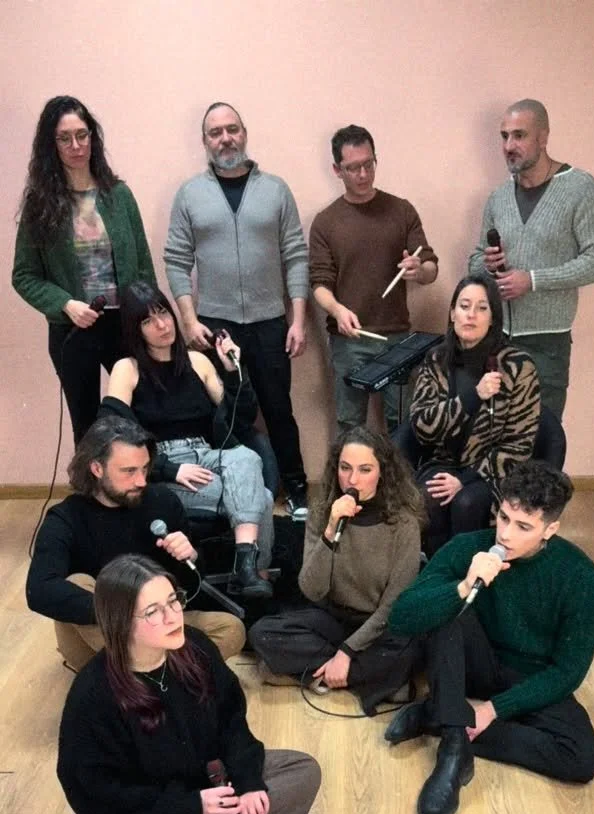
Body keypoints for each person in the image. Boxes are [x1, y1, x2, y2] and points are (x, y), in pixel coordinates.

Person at [57, 554, 336, 814]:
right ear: (121, 622)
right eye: (153, 611)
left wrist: (249, 783)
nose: (173, 616)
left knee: (304, 771)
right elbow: (96, 794)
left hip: (207, 783)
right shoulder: (92, 696)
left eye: (173, 600)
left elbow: (232, 724)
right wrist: (188, 808)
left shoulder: (197, 648)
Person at [385, 461, 594, 814]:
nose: (505, 535)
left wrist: (494, 709)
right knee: (448, 614)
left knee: (581, 758)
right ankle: (453, 750)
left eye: (523, 527)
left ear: (550, 529)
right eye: (503, 517)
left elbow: (569, 671)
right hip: (473, 665)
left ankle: (440, 715)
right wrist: (462, 587)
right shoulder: (467, 547)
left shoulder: (580, 575)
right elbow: (402, 617)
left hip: (530, 677)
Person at [164, 101, 309, 519]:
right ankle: (232, 491)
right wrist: (189, 320)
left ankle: (296, 488)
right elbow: (176, 260)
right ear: (205, 141)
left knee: (278, 408)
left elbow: (295, 255)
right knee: (224, 412)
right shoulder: (190, 194)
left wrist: (298, 320)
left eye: (232, 129)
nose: (225, 138)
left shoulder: (275, 190)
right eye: (216, 132)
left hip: (270, 323)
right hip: (216, 325)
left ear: (244, 133)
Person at [26, 417, 246, 671]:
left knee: (231, 629)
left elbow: (189, 587)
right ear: (96, 468)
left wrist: (190, 557)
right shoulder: (66, 518)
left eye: (144, 469)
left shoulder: (163, 501)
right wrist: (128, 615)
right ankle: (162, 674)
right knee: (78, 582)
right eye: (129, 471)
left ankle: (145, 677)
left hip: (155, 622)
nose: (141, 481)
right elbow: (39, 590)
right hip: (103, 631)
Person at [103, 281, 275, 600]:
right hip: (161, 466)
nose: (161, 325)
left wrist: (233, 371)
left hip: (207, 454)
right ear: (135, 330)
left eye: (163, 313)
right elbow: (114, 433)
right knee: (261, 498)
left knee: (247, 458)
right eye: (148, 320)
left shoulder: (198, 361)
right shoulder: (127, 369)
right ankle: (253, 572)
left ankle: (246, 568)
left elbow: (240, 420)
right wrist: (170, 469)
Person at [249, 427, 424, 715]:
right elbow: (311, 589)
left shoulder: (404, 523)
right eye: (345, 468)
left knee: (412, 646)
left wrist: (347, 652)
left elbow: (394, 606)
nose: (352, 480)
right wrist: (330, 532)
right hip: (334, 618)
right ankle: (376, 682)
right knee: (262, 633)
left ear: (383, 472)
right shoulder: (323, 512)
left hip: (379, 625)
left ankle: (313, 674)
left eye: (365, 470)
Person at [12, 95, 156, 445]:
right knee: (87, 428)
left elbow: (143, 266)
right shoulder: (40, 205)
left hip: (124, 324)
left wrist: (150, 317)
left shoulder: (119, 195)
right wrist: (66, 304)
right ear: (51, 145)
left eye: (82, 134)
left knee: (143, 413)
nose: (76, 146)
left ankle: (146, 478)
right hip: (73, 330)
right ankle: (88, 483)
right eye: (64, 138)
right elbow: (24, 275)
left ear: (93, 137)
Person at [469, 98, 594, 420]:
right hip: (497, 340)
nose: (509, 145)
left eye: (519, 135)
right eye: (504, 136)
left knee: (543, 437)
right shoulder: (498, 198)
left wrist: (532, 280)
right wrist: (487, 265)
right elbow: (475, 261)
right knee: (496, 434)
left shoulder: (580, 188)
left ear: (543, 137)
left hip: (548, 344)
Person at [309, 124, 438, 434]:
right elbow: (319, 284)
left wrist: (419, 269)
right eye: (353, 168)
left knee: (402, 423)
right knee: (350, 424)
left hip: (396, 335)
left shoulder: (401, 210)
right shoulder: (326, 222)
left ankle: (399, 469)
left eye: (369, 164)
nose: (363, 174)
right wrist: (337, 310)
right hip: (349, 338)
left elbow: (431, 267)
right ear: (337, 170)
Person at [404, 274, 540, 554]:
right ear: (452, 313)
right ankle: (436, 570)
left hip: (493, 471)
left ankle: (472, 572)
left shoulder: (517, 366)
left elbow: (519, 446)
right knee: (429, 496)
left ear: (493, 318)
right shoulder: (436, 359)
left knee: (466, 502)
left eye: (482, 308)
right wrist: (472, 397)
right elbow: (422, 426)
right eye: (464, 306)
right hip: (444, 461)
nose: (471, 315)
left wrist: (465, 479)